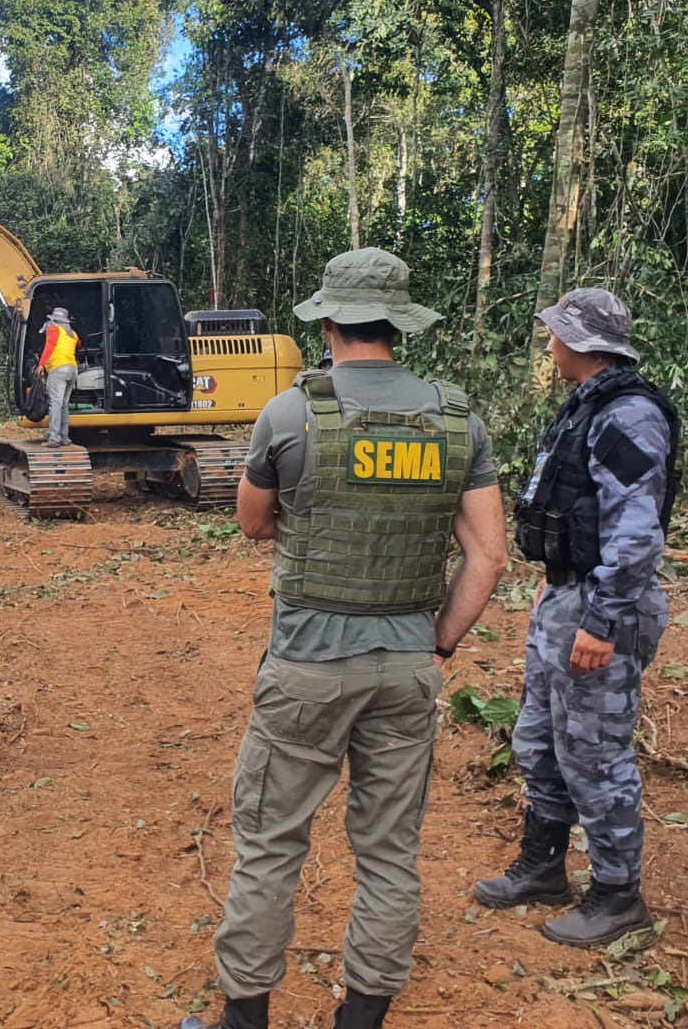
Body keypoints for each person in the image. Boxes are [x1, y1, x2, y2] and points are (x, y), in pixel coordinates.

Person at [184, 248, 507, 1029]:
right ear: (398, 326)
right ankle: (360, 1019)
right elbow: (489, 556)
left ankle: (244, 1021)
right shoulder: (458, 419)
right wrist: (438, 647)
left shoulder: (290, 414)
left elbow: (253, 522)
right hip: (406, 666)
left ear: (327, 323)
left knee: (269, 845)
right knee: (390, 853)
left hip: (305, 665)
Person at [472, 288, 679, 949]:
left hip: (601, 606)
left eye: (557, 335)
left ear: (583, 343)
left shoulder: (629, 416)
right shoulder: (587, 406)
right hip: (567, 596)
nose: (550, 345)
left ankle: (619, 898)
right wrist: (555, 589)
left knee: (594, 752)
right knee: (538, 738)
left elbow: (636, 535)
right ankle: (543, 867)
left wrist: (602, 621)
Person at [35, 306, 80, 448]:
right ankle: (64, 437)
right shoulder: (73, 333)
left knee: (55, 403)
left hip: (58, 368)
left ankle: (54, 439)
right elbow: (79, 346)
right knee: (63, 404)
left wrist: (41, 364)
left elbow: (50, 345)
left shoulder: (54, 329)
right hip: (72, 369)